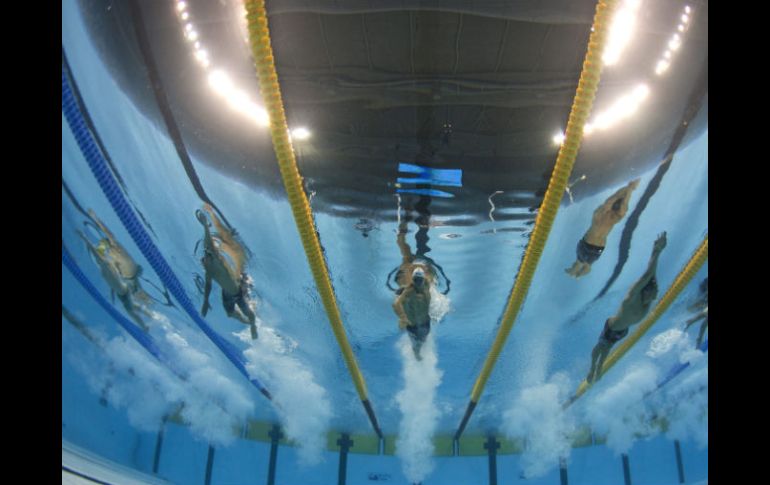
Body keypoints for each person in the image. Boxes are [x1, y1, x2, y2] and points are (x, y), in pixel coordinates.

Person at [586, 232, 667, 383]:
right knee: (600, 348)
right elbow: (648, 274)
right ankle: (593, 369)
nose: (656, 295)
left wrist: (655, 252)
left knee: (606, 349)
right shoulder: (633, 296)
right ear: (646, 290)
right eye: (654, 292)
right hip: (613, 326)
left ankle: (598, 368)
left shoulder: (646, 301)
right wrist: (657, 250)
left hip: (622, 330)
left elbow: (652, 276)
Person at [77, 209, 151, 330]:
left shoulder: (112, 252)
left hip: (129, 279)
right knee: (134, 302)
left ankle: (148, 313)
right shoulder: (112, 255)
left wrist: (95, 219)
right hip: (129, 278)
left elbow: (105, 236)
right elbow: (101, 248)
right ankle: (149, 313)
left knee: (133, 304)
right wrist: (94, 219)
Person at [196, 204, 258, 339]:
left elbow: (209, 244)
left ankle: (253, 325)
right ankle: (247, 322)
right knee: (230, 314)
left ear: (208, 257)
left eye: (205, 259)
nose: (204, 262)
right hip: (227, 294)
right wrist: (205, 301)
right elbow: (208, 286)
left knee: (249, 312)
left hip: (238, 289)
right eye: (203, 262)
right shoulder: (209, 271)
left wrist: (206, 226)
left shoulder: (216, 259)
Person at [566, 179, 640, 278]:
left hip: (588, 244)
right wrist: (629, 189)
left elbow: (613, 200)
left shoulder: (599, 214)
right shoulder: (615, 218)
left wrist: (628, 189)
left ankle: (574, 272)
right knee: (587, 266)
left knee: (579, 262)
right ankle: (577, 274)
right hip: (597, 249)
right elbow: (623, 206)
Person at [392, 221, 437, 360]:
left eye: (420, 280)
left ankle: (417, 351)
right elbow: (396, 304)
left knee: (421, 340)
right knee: (416, 342)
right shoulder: (409, 287)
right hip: (412, 323)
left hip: (423, 323)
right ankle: (416, 352)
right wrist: (403, 318)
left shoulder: (428, 281)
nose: (418, 282)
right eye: (416, 280)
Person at [684, 278, 708, 348]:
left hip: (704, 287)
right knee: (701, 305)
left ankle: (688, 310)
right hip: (704, 287)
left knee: (702, 306)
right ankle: (687, 310)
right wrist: (700, 338)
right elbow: (704, 323)